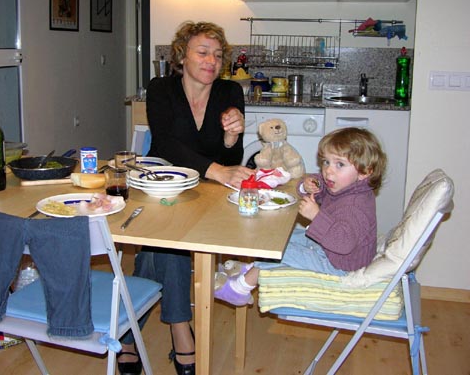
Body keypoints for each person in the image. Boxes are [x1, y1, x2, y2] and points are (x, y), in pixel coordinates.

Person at [117, 21, 255, 375]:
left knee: (157, 250)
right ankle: (181, 329)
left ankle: (128, 332)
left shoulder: (230, 92)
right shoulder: (161, 88)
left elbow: (232, 157)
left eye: (218, 55)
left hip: (207, 193)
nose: (212, 61)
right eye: (203, 52)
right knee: (171, 241)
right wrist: (218, 170)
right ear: (182, 56)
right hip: (162, 185)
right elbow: (165, 144)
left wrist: (231, 137)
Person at [214, 127, 387, 306]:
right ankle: (251, 268)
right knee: (281, 237)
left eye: (340, 164)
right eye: (326, 162)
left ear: (365, 171)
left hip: (341, 266)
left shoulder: (355, 206)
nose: (328, 171)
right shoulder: (345, 185)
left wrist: (316, 216)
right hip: (331, 251)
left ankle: (240, 288)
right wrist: (309, 185)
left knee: (280, 251)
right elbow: (322, 185)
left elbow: (343, 243)